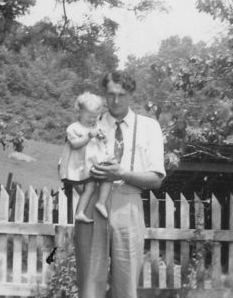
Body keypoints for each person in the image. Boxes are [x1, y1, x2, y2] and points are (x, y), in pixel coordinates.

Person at [73, 71, 165, 298]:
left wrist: (122, 173)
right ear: (104, 94)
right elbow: (68, 168)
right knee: (90, 283)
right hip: (94, 205)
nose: (115, 100)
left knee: (126, 283)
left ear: (131, 94)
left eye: (121, 95)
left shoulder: (149, 127)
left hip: (129, 203)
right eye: (111, 94)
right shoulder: (90, 124)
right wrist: (87, 186)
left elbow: (156, 178)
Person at [59, 92, 114, 223]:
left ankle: (100, 202)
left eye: (96, 117)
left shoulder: (97, 127)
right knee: (89, 187)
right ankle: (80, 212)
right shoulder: (74, 128)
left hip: (96, 162)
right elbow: (74, 144)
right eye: (89, 116)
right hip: (83, 165)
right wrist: (88, 136)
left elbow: (103, 144)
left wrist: (103, 138)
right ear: (79, 112)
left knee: (108, 177)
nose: (93, 120)